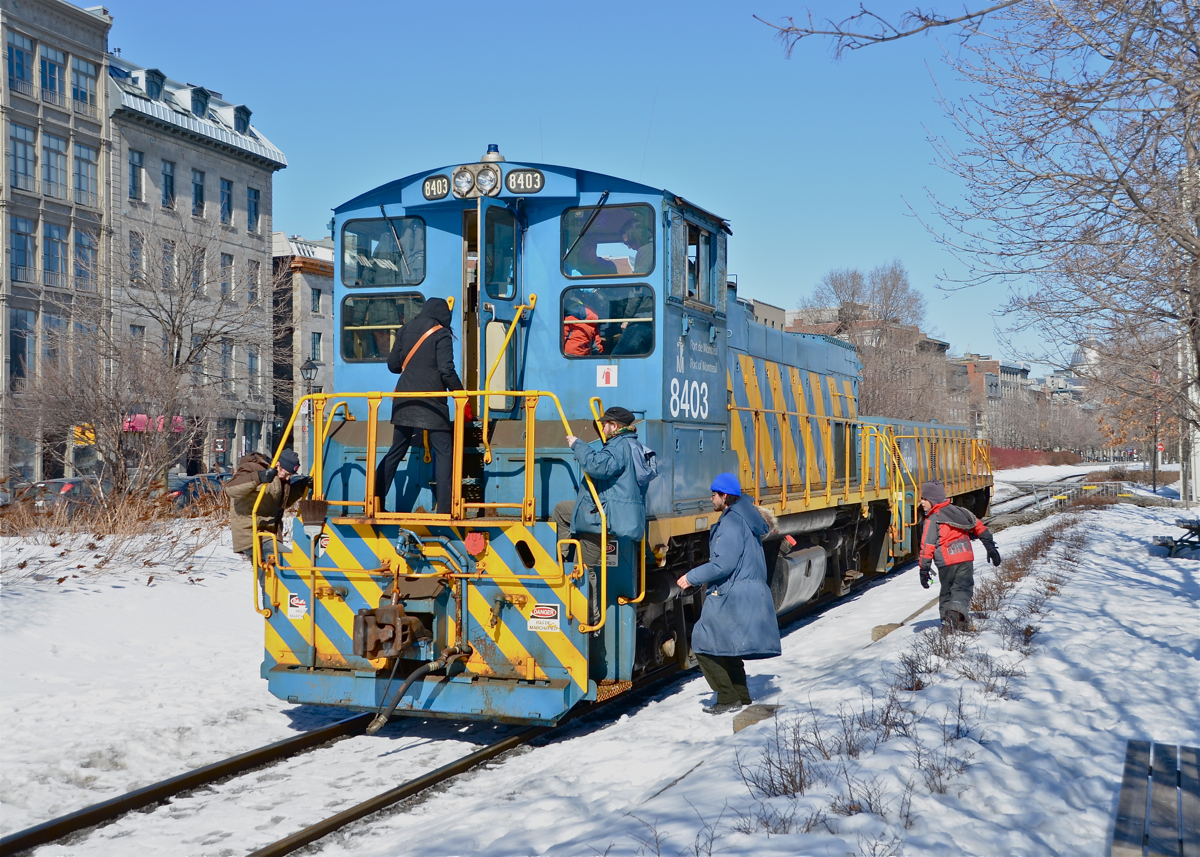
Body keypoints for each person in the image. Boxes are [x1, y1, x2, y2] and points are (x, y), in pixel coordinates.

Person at [676, 473, 781, 715]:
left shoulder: (732, 522)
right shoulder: (745, 517)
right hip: (745, 590)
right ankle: (741, 697)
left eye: (714, 494)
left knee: (702, 642)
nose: (711, 499)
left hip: (733, 591)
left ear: (725, 496)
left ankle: (727, 696)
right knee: (726, 644)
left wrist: (690, 577)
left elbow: (723, 564)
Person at [375, 297, 464, 515]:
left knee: (396, 451)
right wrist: (461, 393)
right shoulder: (441, 333)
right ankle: (444, 510)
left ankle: (375, 501)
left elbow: (393, 365)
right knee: (443, 452)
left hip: (405, 399)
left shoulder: (406, 329)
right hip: (432, 402)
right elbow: (446, 370)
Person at [554, 406, 650, 572]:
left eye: (604, 425)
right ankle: (561, 559)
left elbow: (598, 466)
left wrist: (578, 445)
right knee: (562, 510)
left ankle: (586, 596)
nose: (602, 428)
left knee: (583, 569)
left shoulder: (618, 446)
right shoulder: (633, 445)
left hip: (606, 515)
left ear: (614, 426)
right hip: (619, 513)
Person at [917, 479, 1001, 632]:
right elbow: (979, 527)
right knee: (962, 590)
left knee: (948, 593)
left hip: (947, 562)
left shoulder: (933, 519)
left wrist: (924, 568)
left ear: (933, 500)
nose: (921, 501)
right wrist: (990, 547)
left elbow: (927, 546)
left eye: (925, 499)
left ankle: (949, 621)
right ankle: (958, 621)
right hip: (965, 558)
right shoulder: (960, 512)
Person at [226, 448, 311, 560]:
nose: (287, 478)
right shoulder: (253, 467)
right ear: (278, 464)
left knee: (273, 572)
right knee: (290, 562)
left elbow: (280, 502)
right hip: (252, 533)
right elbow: (231, 489)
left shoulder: (281, 479)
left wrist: (301, 486)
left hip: (268, 534)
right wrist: (259, 477)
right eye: (286, 474)